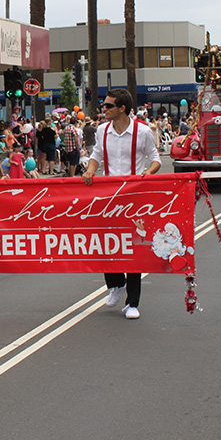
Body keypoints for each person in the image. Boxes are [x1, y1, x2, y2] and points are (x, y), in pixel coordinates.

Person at [82, 89, 161, 321]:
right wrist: (90, 170)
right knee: (108, 242)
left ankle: (132, 302)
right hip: (109, 195)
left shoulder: (143, 131)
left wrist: (148, 173)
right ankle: (115, 284)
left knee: (134, 247)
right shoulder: (102, 130)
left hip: (134, 196)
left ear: (122, 108)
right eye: (103, 106)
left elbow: (155, 158)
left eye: (108, 106)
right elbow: (97, 155)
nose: (103, 109)